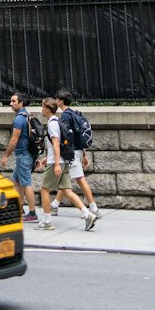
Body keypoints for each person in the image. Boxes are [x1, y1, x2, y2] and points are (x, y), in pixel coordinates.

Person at [36, 96, 97, 231]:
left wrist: (55, 163)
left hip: (56, 163)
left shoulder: (52, 124)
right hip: (63, 161)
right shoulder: (58, 121)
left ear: (47, 109)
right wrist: (47, 159)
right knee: (67, 191)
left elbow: (57, 144)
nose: (41, 109)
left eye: (42, 107)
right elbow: (56, 146)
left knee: (44, 190)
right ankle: (88, 215)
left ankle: (47, 221)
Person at [51, 89, 100, 220]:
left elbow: (67, 136)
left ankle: (93, 208)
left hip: (71, 153)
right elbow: (78, 135)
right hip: (77, 151)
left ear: (60, 101)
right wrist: (84, 154)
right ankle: (55, 205)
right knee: (65, 180)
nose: (55, 101)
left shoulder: (65, 116)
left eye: (56, 99)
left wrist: (64, 153)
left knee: (79, 179)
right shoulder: (74, 113)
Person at [0, 91, 38, 221]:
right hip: (27, 154)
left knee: (26, 184)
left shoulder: (19, 119)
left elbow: (14, 140)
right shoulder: (28, 115)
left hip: (23, 155)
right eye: (11, 101)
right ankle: (19, 209)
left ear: (21, 103)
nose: (11, 104)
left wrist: (6, 156)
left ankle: (32, 213)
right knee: (16, 182)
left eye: (14, 101)